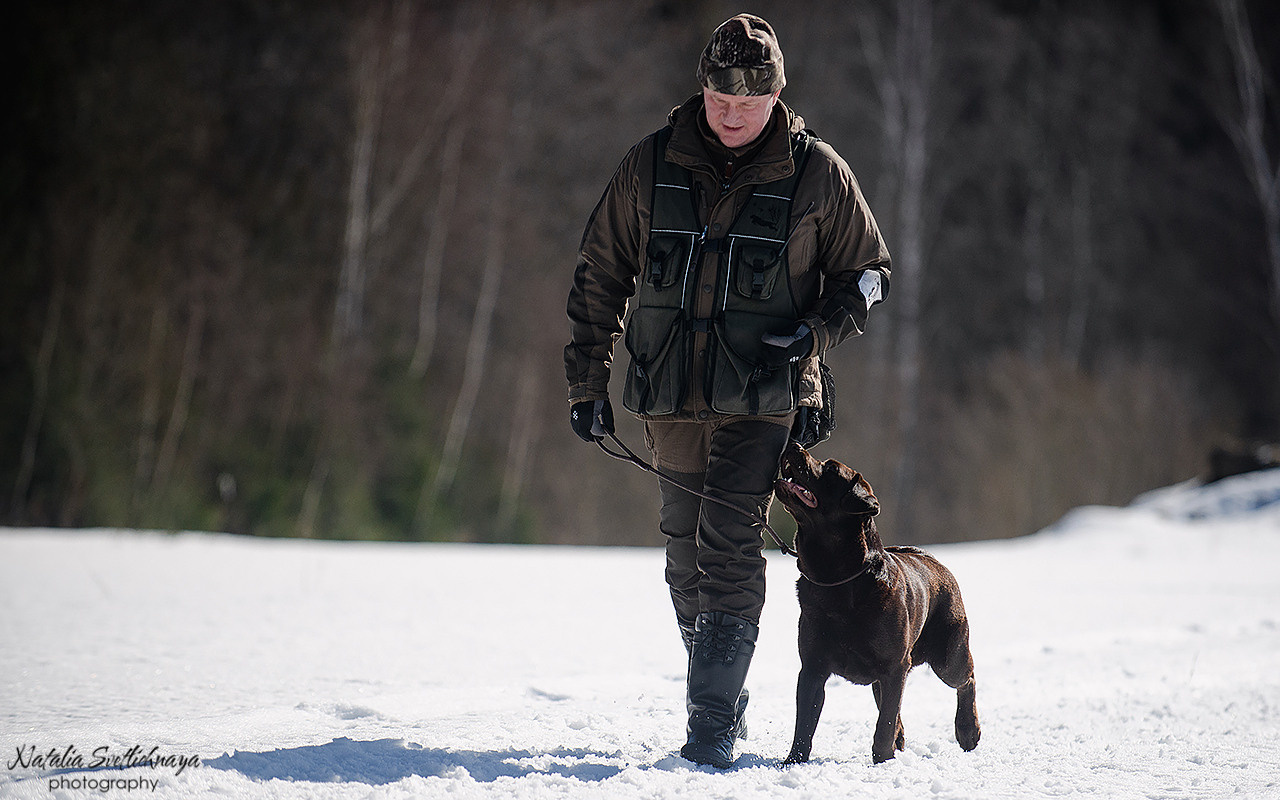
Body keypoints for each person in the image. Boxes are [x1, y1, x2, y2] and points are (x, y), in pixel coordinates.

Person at [564, 13, 890, 768]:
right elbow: (599, 273)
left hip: (766, 398)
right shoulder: (648, 165)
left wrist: (816, 334)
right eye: (718, 101)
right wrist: (586, 381)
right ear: (701, 90)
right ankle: (724, 689)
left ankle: (709, 727)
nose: (732, 115)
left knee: (729, 542)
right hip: (668, 394)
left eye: (747, 102)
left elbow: (870, 274)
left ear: (777, 94)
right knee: (685, 556)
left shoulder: (820, 174)